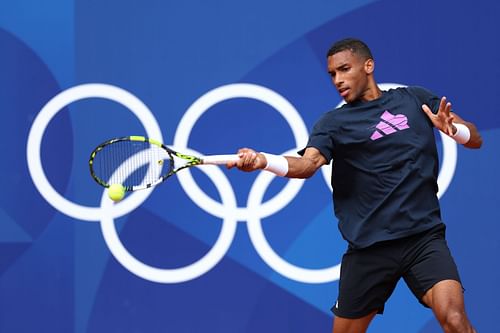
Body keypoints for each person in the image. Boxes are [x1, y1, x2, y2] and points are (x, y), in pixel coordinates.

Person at [227, 38, 482, 333]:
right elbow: (307, 165)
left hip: (422, 238)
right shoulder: (333, 123)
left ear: (368, 66)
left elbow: (475, 138)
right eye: (332, 74)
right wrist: (262, 160)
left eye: (344, 69)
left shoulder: (414, 99)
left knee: (454, 318)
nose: (338, 80)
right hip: (369, 248)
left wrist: (455, 131)